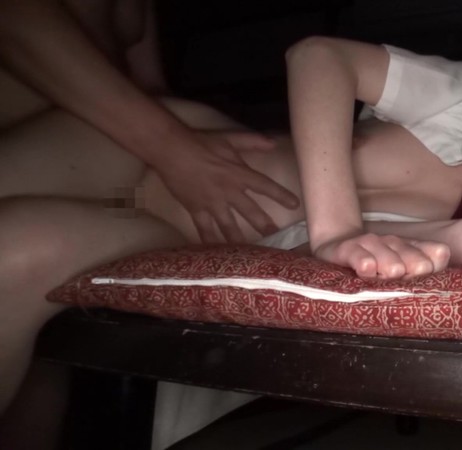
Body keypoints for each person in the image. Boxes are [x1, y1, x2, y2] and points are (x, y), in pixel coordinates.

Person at [0, 32, 462, 447]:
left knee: (16, 251)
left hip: (158, 237)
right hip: (163, 150)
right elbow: (319, 58)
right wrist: (338, 229)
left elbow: (329, 266)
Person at [0, 1, 297, 448]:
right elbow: (16, 20)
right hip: (54, 152)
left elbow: (147, 86)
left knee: (34, 308)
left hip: (127, 168)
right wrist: (175, 147)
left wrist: (200, 148)